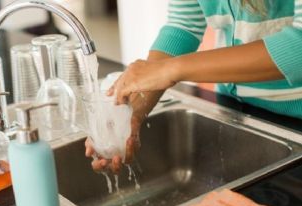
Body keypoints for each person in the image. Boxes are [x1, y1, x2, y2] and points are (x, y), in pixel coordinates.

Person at [85, 0, 302, 173]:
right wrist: (131, 114)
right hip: (235, 109)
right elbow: (184, 25)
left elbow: (299, 46)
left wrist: (170, 70)